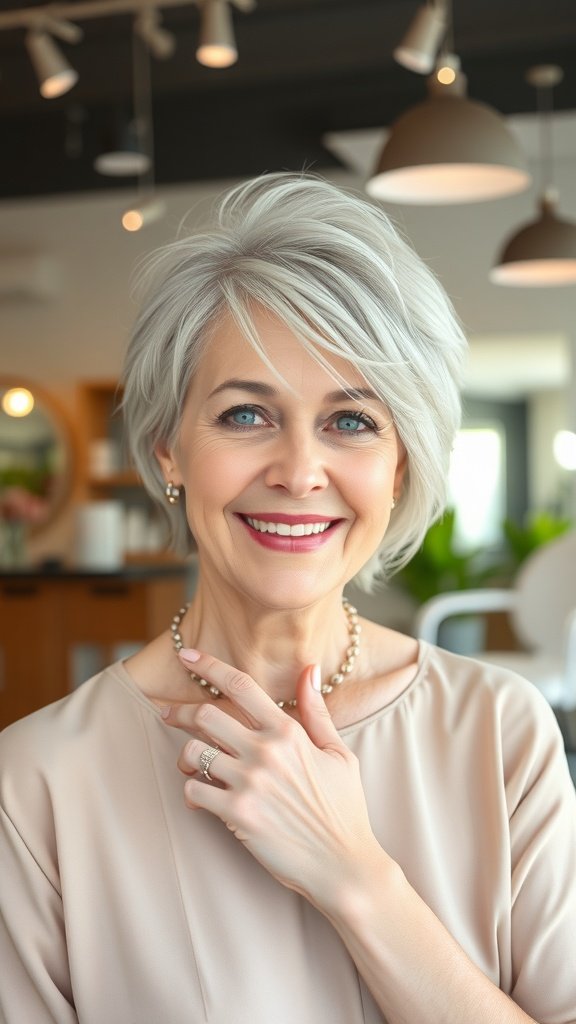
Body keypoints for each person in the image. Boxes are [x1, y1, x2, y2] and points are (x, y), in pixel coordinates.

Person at [1, 173, 575, 1024]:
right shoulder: (36, 782)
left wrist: (356, 877)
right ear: (166, 449)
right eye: (245, 415)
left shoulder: (501, 732)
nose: (300, 472)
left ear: (400, 465)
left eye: (352, 421)